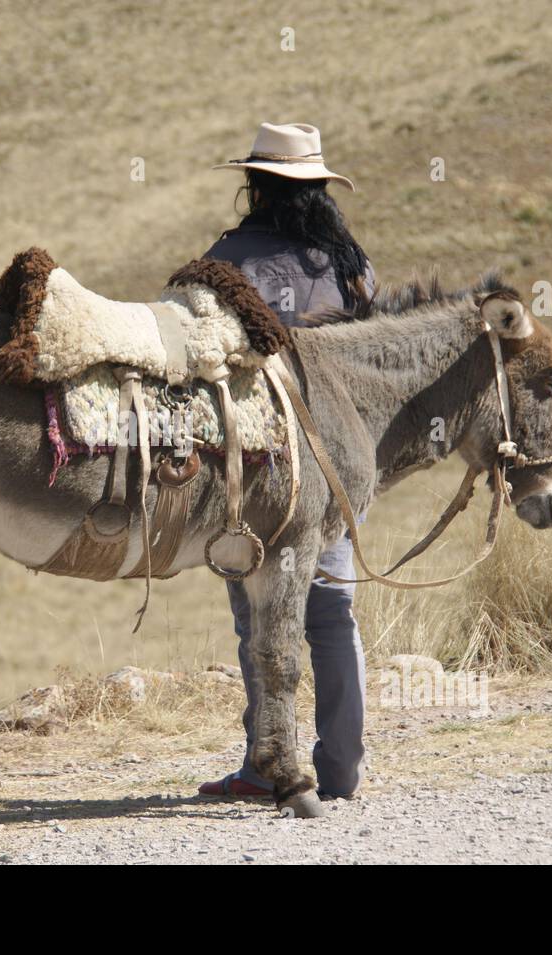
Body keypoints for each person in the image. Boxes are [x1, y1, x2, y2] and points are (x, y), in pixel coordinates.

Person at [197, 122, 374, 800]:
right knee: (332, 611)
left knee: (257, 615)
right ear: (320, 191)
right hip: (335, 464)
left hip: (254, 465)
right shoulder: (351, 266)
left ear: (256, 187)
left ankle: (264, 762)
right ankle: (341, 767)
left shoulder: (224, 262)